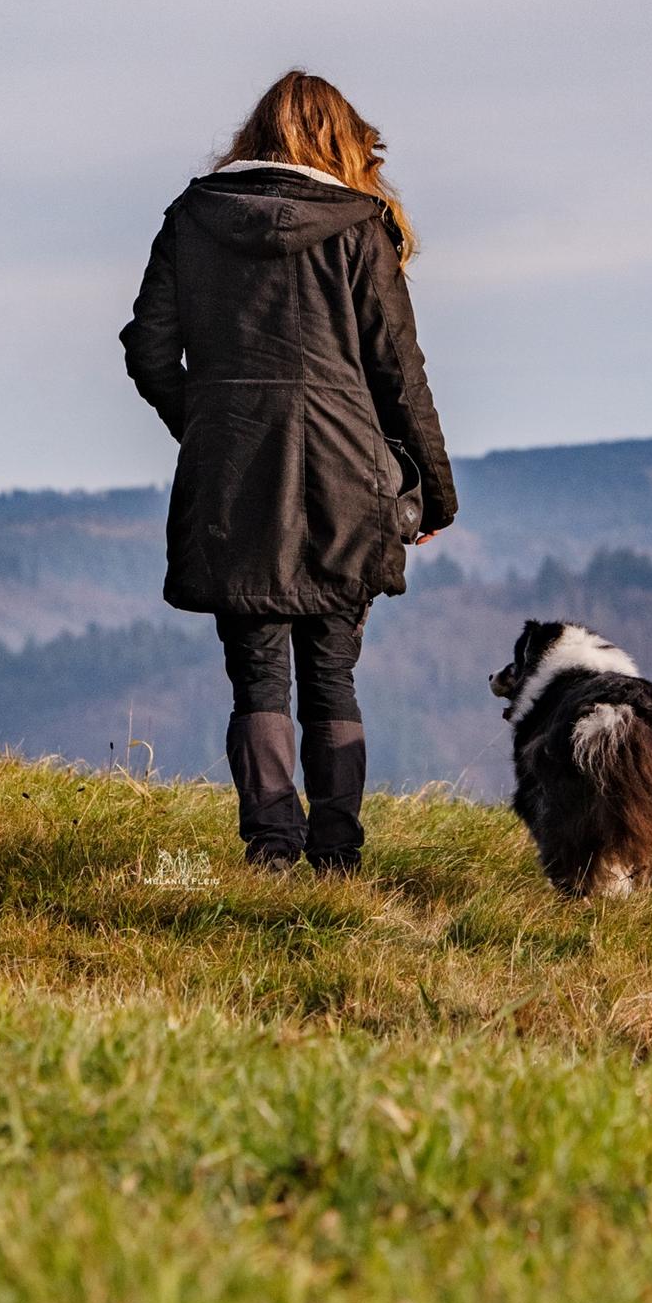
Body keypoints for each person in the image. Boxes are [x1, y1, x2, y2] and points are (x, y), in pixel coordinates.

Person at [120, 70, 456, 873]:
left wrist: (209, 428)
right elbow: (399, 373)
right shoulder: (360, 228)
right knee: (332, 673)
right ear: (342, 143)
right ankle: (337, 856)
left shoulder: (192, 218)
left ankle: (271, 850)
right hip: (348, 480)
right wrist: (436, 491)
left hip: (234, 481)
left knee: (257, 675)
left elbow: (149, 349)